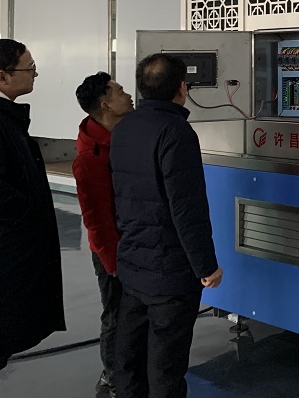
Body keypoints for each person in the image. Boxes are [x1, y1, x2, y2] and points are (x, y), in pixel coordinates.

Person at [110, 53, 222, 398]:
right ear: (182, 88)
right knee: (165, 368)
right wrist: (206, 266)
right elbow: (187, 209)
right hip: (170, 273)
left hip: (133, 265)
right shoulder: (176, 132)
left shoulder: (124, 127)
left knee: (129, 361)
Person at [0, 40, 66, 385]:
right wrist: (29, 212)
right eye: (30, 68)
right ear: (2, 76)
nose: (35, 74)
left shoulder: (7, 119)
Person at [74, 72, 135, 397]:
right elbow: (96, 220)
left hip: (134, 240)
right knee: (115, 314)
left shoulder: (122, 134)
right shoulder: (91, 158)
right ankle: (112, 375)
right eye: (120, 92)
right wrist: (111, 262)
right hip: (112, 251)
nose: (128, 95)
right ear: (105, 105)